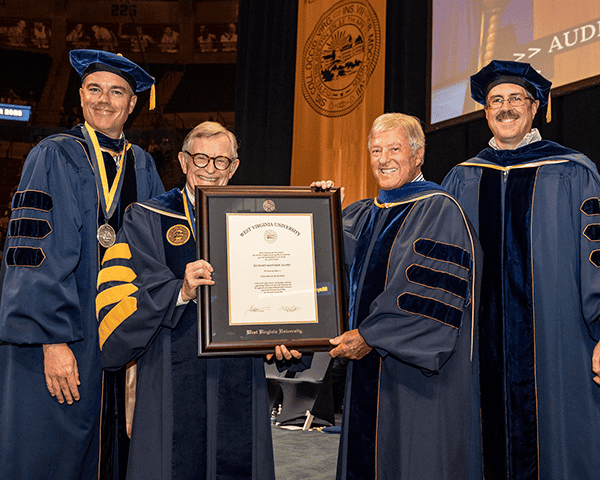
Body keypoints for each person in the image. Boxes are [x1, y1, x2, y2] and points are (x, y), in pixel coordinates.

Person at [0, 49, 164, 480]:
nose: (104, 100)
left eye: (117, 91)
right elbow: (32, 255)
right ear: (80, 96)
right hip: (62, 339)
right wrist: (51, 341)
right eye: (94, 89)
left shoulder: (143, 165)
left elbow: (158, 255)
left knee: (114, 452)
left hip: (118, 339)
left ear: (133, 104)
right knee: (50, 453)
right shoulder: (52, 154)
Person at [97, 121, 292, 480]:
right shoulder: (147, 218)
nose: (209, 170)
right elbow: (120, 297)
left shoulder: (263, 218)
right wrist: (179, 292)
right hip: (169, 369)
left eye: (220, 161)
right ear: (184, 162)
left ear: (233, 168)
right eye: (200, 159)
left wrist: (288, 333)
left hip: (239, 371)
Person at [442, 60, 600, 480]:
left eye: (516, 99)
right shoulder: (462, 178)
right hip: (478, 348)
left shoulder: (573, 172)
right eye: (496, 100)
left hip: (560, 343)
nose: (505, 107)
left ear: (535, 108)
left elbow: (596, 255)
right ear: (485, 112)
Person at [326, 113, 483, 479]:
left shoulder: (440, 209)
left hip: (413, 379)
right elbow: (333, 277)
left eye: (394, 148)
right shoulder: (363, 214)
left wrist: (370, 336)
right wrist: (321, 213)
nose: (383, 159)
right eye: (376, 150)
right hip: (367, 369)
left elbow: (427, 295)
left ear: (417, 154)